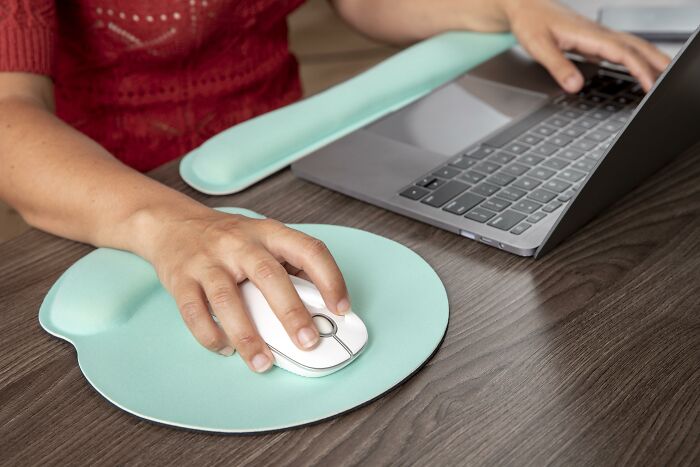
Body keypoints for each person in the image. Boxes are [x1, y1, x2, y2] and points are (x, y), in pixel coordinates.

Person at [0, 0, 669, 373]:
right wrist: (176, 225)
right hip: (110, 208)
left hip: (279, 169)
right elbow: (8, 113)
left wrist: (504, 6)